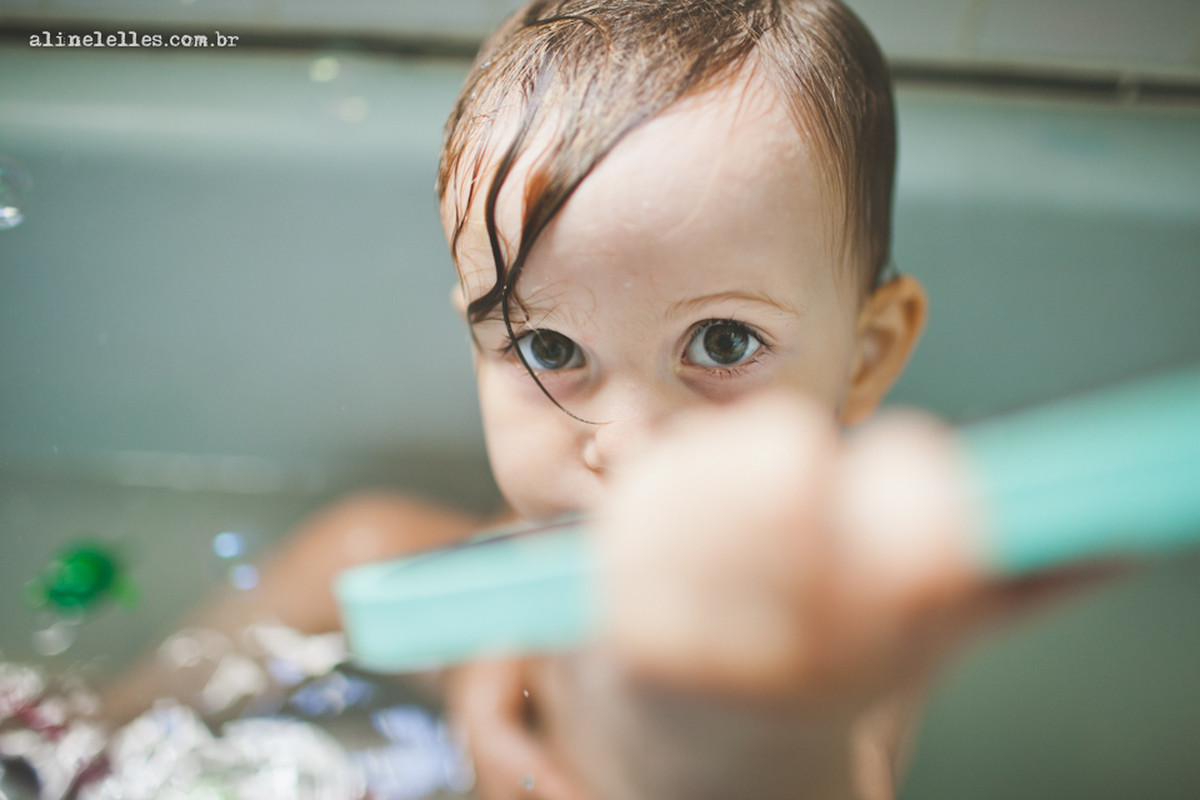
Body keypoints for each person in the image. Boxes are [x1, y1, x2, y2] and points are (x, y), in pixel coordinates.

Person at [103, 1, 1105, 797]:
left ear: (866, 354)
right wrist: (491, 669)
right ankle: (94, 726)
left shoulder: (816, 643)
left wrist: (737, 736)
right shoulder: (565, 531)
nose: (623, 446)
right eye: (548, 346)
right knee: (360, 542)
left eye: (723, 344)